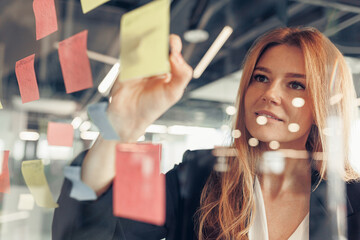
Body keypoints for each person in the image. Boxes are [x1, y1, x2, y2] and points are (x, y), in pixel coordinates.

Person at [52, 27, 360, 240]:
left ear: (322, 102)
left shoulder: (352, 199)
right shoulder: (200, 176)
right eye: (261, 77)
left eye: (296, 84)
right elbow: (86, 232)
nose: (270, 94)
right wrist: (120, 128)